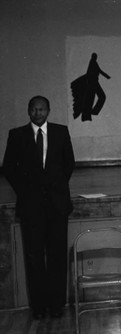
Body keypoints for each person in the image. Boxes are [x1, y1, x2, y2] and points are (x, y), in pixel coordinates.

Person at [3, 96, 75, 319]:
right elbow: (8, 167)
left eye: (41, 109)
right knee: (34, 258)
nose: (37, 113)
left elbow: (69, 164)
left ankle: (56, 305)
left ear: (48, 111)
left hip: (57, 205)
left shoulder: (61, 132)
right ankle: (39, 307)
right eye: (34, 109)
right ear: (28, 111)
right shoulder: (17, 135)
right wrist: (25, 191)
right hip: (31, 206)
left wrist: (56, 187)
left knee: (57, 256)